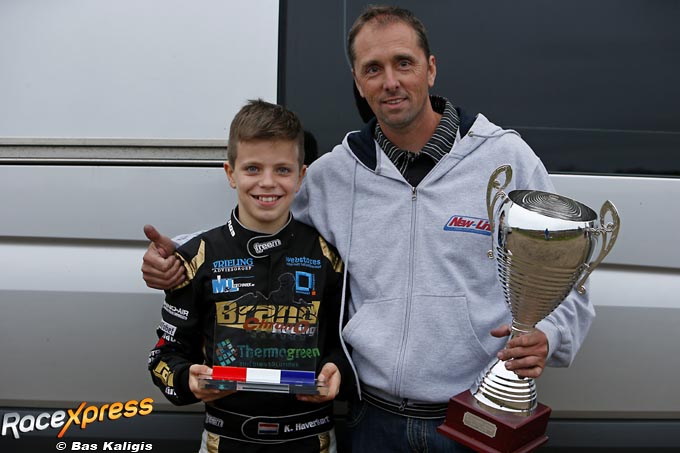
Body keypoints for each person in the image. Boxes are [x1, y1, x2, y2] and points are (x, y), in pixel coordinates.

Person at [142, 6, 595, 453]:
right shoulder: (335, 174)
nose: (390, 81)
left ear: (430, 69)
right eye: (373, 69)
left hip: (474, 418)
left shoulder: (505, 160)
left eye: (404, 63)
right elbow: (261, 220)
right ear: (359, 83)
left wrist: (549, 335)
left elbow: (566, 276)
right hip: (372, 423)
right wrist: (177, 257)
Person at [147, 99, 351, 453]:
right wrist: (187, 380)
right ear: (231, 173)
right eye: (253, 168)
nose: (267, 183)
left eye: (282, 170)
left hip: (310, 439)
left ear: (301, 176)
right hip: (225, 440)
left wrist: (338, 371)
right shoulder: (198, 257)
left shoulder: (326, 256)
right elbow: (163, 357)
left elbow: (350, 344)